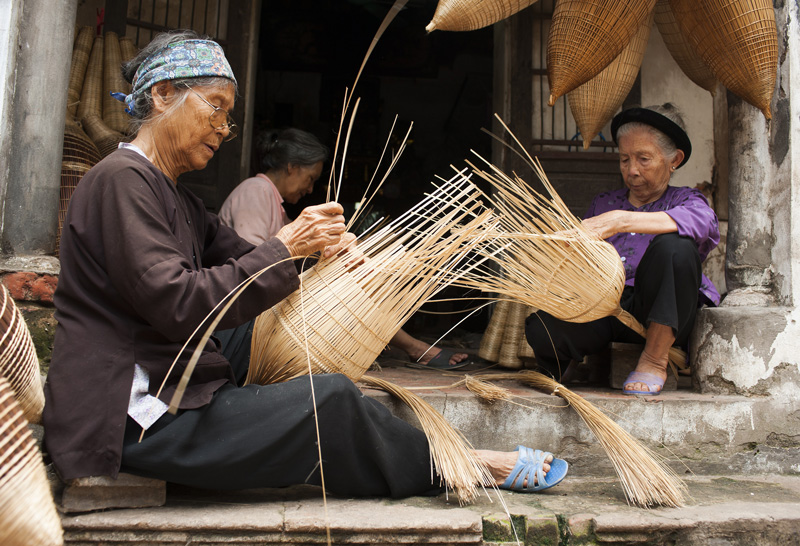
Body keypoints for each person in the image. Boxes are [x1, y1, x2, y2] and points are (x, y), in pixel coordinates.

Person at [43, 30, 567, 498]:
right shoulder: (120, 181)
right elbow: (180, 302)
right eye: (216, 108)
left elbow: (240, 255)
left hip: (171, 373)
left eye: (229, 114)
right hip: (136, 416)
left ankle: (292, 423)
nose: (225, 127)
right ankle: (458, 465)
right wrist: (286, 246)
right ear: (162, 97)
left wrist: (323, 251)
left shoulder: (171, 193)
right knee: (331, 399)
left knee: (270, 316)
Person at [218, 127, 470, 370]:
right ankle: (416, 349)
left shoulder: (274, 202)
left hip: (261, 301)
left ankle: (413, 348)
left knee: (354, 274)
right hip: (247, 314)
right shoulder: (256, 191)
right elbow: (252, 260)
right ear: (292, 167)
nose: (310, 188)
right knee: (349, 284)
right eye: (311, 178)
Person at [525, 103, 720, 395]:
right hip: (608, 310)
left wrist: (621, 220)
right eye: (624, 159)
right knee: (540, 326)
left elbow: (704, 223)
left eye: (643, 159)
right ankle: (563, 363)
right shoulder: (604, 202)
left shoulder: (687, 200)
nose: (632, 171)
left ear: (674, 160)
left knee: (676, 248)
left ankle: (654, 358)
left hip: (660, 310)